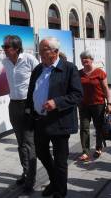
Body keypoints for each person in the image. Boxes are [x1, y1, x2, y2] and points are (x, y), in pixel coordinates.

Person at [26, 37, 83, 198]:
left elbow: (77, 95)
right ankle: (54, 181)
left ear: (55, 52)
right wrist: (29, 112)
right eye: (40, 48)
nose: (40, 52)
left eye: (44, 49)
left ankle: (60, 191)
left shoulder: (69, 68)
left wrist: (56, 102)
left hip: (59, 122)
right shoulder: (38, 69)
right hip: (40, 120)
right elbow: (31, 93)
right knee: (42, 154)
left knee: (60, 161)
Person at [0, 35, 38, 193]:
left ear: (16, 48)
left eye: (6, 47)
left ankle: (31, 179)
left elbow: (41, 77)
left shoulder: (29, 59)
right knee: (20, 142)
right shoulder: (4, 60)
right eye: (3, 47)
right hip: (13, 105)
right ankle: (26, 171)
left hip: (28, 104)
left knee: (29, 143)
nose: (3, 50)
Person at [78, 50, 111, 161]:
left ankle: (98, 148)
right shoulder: (79, 73)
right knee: (84, 128)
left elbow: (106, 89)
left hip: (98, 104)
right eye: (82, 59)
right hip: (83, 105)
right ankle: (85, 151)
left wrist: (109, 103)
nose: (84, 61)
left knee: (99, 127)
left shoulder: (99, 72)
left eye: (86, 59)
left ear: (91, 60)